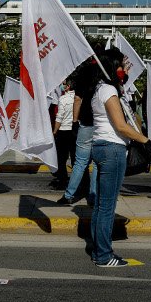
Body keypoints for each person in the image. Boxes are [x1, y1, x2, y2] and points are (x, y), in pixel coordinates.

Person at [81, 48, 151, 267]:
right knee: (107, 207)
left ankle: (97, 251)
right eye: (121, 65)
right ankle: (104, 255)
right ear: (112, 67)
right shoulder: (108, 90)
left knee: (101, 206)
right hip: (112, 150)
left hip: (101, 147)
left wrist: (122, 81)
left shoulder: (99, 89)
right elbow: (121, 126)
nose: (123, 69)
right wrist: (145, 140)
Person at [57, 68, 97, 206]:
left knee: (80, 162)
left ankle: (68, 195)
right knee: (97, 163)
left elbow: (77, 99)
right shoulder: (106, 77)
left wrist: (74, 122)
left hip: (85, 123)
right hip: (101, 124)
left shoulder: (83, 76)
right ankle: (93, 196)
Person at [52, 82, 75, 189]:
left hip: (63, 131)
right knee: (76, 160)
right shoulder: (79, 98)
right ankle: (77, 183)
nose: (62, 85)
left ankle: (62, 181)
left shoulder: (63, 99)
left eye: (64, 83)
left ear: (68, 87)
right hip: (75, 131)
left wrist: (55, 131)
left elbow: (59, 116)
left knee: (61, 159)